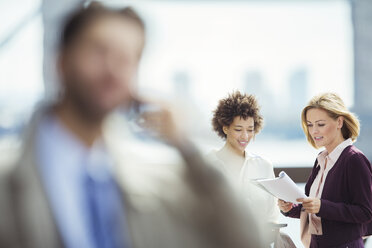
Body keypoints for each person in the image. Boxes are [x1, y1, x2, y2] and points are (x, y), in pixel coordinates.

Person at [0, 3, 264, 248]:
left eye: (127, 59)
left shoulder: (147, 185)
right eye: (99, 51)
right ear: (61, 62)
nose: (113, 68)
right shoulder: (9, 181)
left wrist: (185, 146)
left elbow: (246, 238)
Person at [278, 92, 372, 248]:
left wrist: (322, 206)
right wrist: (289, 208)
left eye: (320, 124)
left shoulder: (354, 159)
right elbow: (314, 207)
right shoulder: (321, 160)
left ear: (339, 122)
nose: (314, 131)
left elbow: (366, 212)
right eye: (310, 124)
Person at [209, 91, 280, 223]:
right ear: (225, 128)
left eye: (250, 129)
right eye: (238, 129)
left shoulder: (263, 165)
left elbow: (272, 216)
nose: (245, 136)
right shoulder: (208, 164)